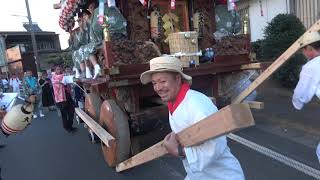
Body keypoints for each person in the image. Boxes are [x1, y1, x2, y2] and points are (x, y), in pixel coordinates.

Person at [140, 56, 245, 180]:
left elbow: (215, 146)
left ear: (178, 79)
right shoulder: (173, 103)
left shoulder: (197, 105)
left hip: (221, 176)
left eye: (162, 81)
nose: (158, 88)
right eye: (154, 83)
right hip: (197, 175)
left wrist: (178, 151)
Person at [291, 31, 320, 163]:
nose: (303, 53)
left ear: (309, 49)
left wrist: (297, 104)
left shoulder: (311, 67)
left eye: (303, 50)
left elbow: (301, 94)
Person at [52, 66, 77, 133]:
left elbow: (71, 81)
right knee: (64, 113)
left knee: (71, 111)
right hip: (61, 99)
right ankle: (67, 127)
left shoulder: (65, 75)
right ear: (55, 70)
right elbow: (56, 84)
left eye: (60, 69)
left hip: (68, 95)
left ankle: (70, 125)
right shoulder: (53, 78)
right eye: (57, 69)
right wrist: (61, 82)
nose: (59, 70)